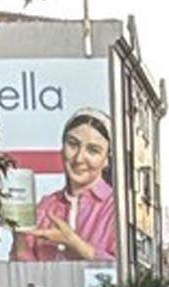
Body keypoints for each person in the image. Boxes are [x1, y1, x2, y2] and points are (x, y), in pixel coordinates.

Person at [11, 108, 117, 263]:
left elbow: (126, 275)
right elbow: (27, 277)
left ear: (106, 159)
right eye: (73, 144)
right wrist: (19, 239)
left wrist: (75, 244)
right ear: (62, 148)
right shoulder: (45, 206)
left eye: (93, 150)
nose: (79, 158)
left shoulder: (116, 207)